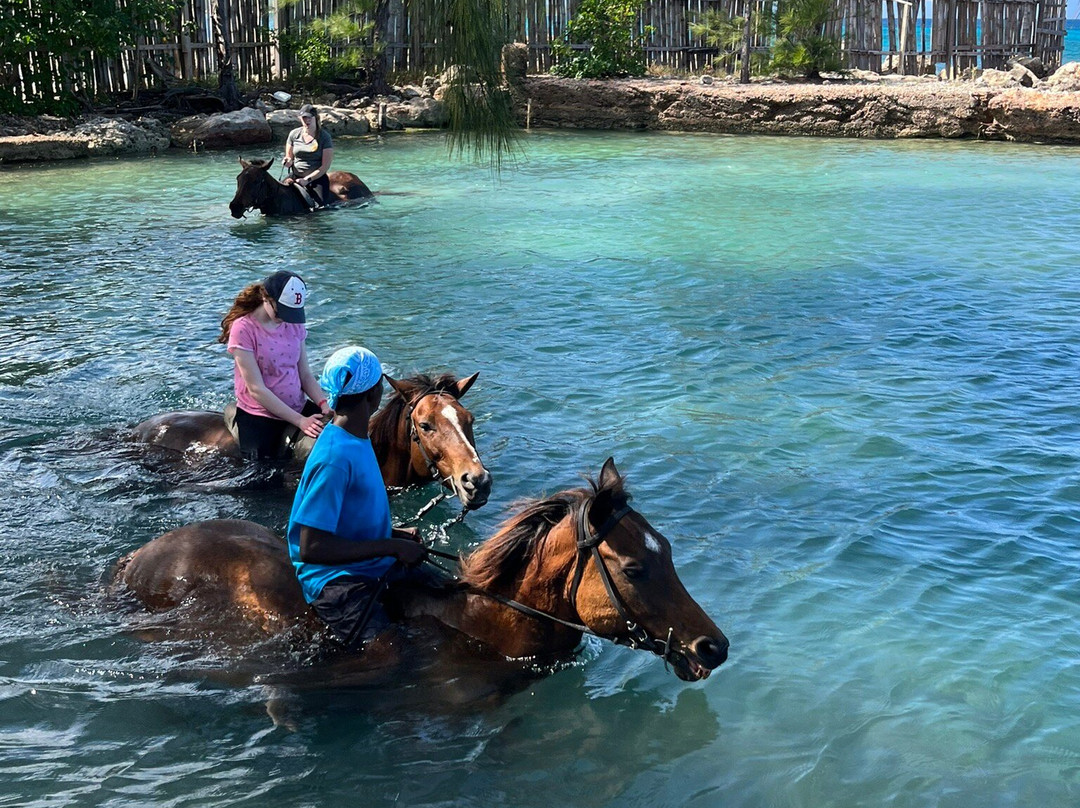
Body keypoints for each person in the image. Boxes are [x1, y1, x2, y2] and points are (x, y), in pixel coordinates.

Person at [286, 346, 428, 649]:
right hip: (334, 580)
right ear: (373, 394)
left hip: (369, 562)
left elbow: (346, 521)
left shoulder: (354, 438)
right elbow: (312, 547)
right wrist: (391, 546)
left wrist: (394, 535)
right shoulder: (335, 458)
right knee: (389, 656)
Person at [218, 270, 331, 462]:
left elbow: (304, 375)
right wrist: (300, 421)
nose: (286, 318)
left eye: (292, 313)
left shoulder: (294, 323)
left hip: (297, 405)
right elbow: (256, 389)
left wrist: (324, 404)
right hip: (259, 413)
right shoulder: (243, 328)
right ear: (266, 298)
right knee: (262, 476)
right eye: (282, 311)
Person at [282, 104, 333, 208]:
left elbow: (325, 166)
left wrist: (307, 179)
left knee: (320, 207)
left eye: (309, 117)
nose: (306, 121)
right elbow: (289, 157)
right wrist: (287, 161)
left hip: (316, 179)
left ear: (315, 118)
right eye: (304, 118)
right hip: (295, 176)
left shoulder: (324, 137)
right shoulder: (294, 134)